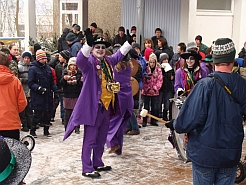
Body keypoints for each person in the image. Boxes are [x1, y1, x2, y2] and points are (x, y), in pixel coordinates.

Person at [166, 38, 246, 185]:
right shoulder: (242, 85)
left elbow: (188, 120)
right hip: (230, 155)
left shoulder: (204, 85)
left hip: (204, 155)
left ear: (214, 60)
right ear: (232, 59)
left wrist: (175, 123)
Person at [63, 28, 132, 178]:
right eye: (97, 47)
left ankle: (97, 162)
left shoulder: (108, 61)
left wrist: (128, 43)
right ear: (93, 49)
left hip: (107, 106)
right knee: (90, 138)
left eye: (102, 47)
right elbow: (80, 59)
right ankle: (86, 167)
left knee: (101, 137)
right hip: (93, 107)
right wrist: (87, 44)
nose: (100, 50)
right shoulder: (88, 63)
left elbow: (119, 55)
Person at [106, 54, 133, 155]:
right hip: (128, 98)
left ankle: (113, 143)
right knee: (121, 125)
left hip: (119, 97)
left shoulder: (115, 68)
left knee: (111, 121)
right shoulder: (129, 67)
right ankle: (118, 148)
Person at [28, 49, 58, 138]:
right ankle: (32, 130)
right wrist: (39, 88)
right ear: (38, 59)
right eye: (42, 59)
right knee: (37, 114)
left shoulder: (48, 68)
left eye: (44, 59)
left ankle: (46, 130)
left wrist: (55, 90)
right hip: (38, 95)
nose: (44, 60)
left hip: (47, 95)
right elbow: (31, 83)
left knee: (47, 113)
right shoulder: (33, 69)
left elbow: (51, 81)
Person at [0, 51, 27, 140]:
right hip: (11, 123)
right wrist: (13, 110)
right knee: (11, 152)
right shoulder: (14, 81)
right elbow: (22, 102)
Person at [60, 57, 82, 133]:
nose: (73, 67)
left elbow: (81, 85)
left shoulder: (79, 73)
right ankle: (67, 128)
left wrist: (80, 80)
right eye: (71, 65)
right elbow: (61, 84)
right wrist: (64, 79)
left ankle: (77, 127)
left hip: (76, 94)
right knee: (68, 113)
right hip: (67, 94)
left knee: (76, 112)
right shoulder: (65, 72)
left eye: (74, 65)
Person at [141, 53, 163, 127]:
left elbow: (160, 80)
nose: (152, 64)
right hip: (146, 92)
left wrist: (154, 89)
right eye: (151, 62)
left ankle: (153, 120)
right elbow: (143, 80)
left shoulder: (158, 70)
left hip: (155, 92)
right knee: (146, 107)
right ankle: (144, 120)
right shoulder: (146, 69)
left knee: (155, 107)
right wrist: (147, 89)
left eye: (153, 62)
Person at [18, 51, 33, 132]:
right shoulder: (19, 67)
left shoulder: (32, 66)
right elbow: (18, 79)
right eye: (25, 58)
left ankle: (30, 123)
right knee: (23, 109)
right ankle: (24, 125)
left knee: (29, 109)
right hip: (23, 90)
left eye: (28, 58)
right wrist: (27, 80)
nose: (27, 60)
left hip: (30, 90)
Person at [158, 53, 174, 121]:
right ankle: (159, 114)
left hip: (168, 87)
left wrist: (172, 76)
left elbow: (173, 75)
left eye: (167, 59)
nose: (166, 61)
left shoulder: (170, 68)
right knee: (159, 101)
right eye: (164, 59)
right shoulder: (159, 67)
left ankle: (165, 115)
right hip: (161, 87)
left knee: (166, 102)